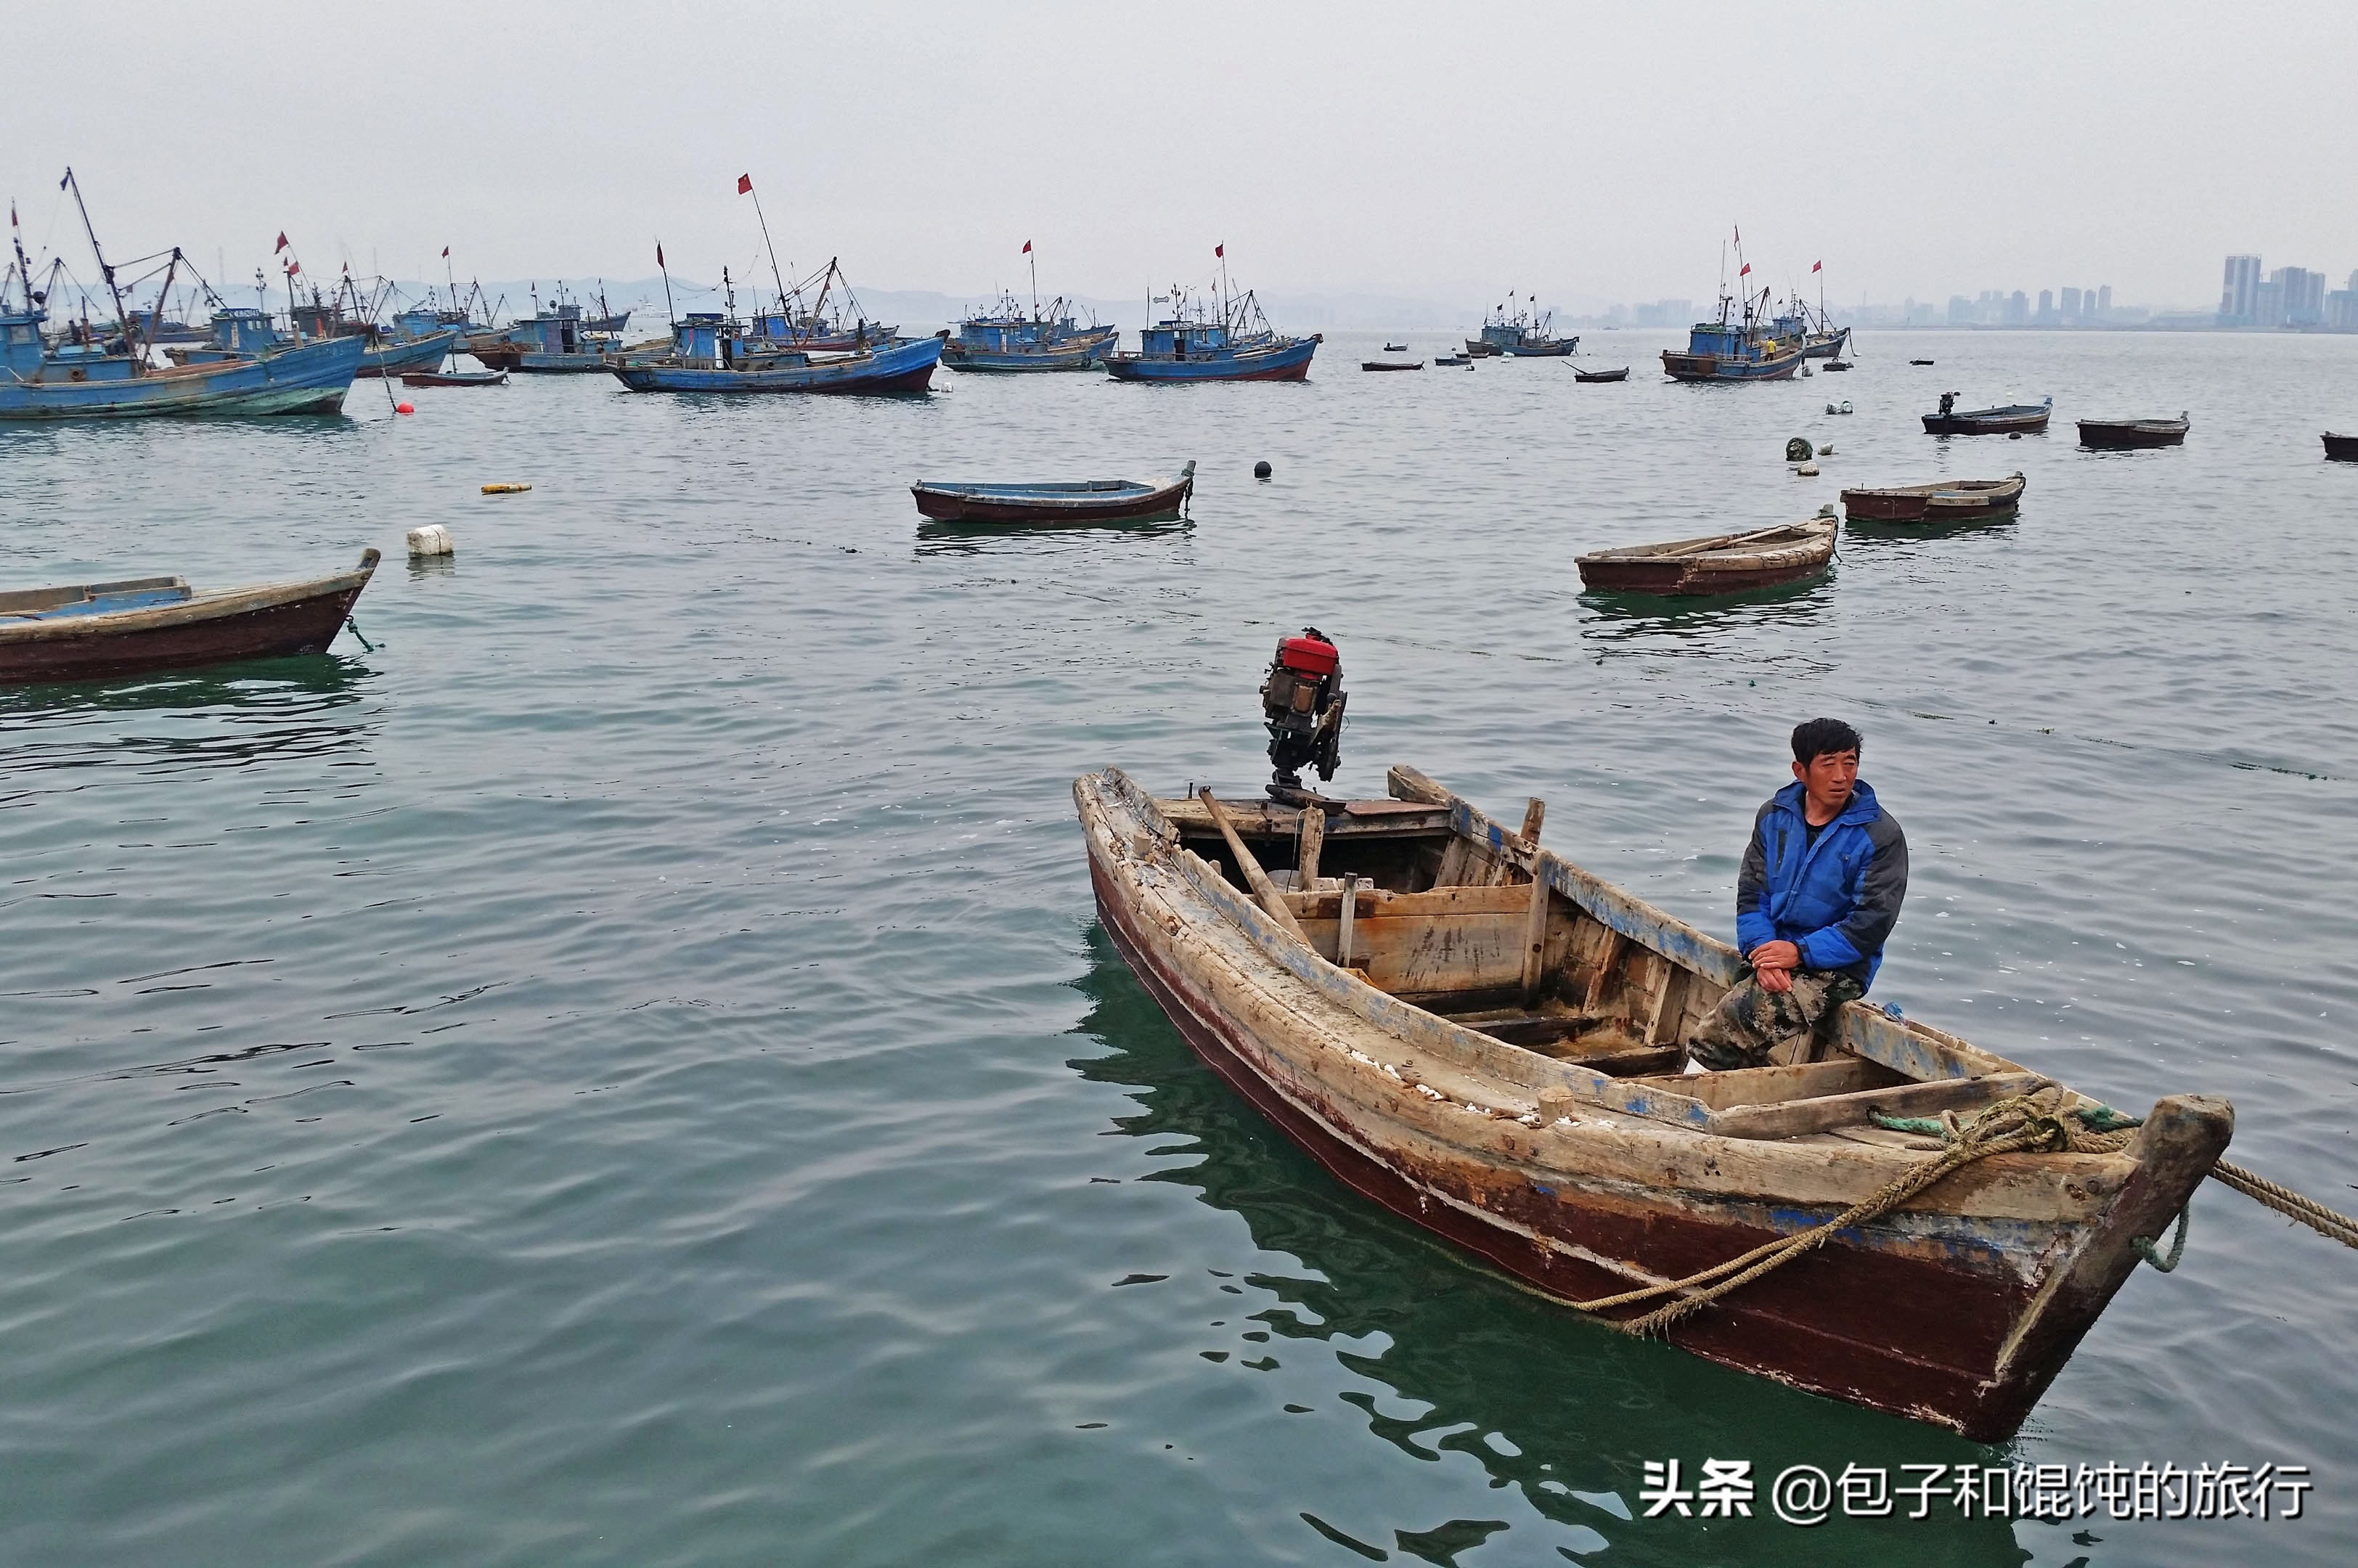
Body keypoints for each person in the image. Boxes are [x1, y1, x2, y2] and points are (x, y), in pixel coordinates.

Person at [1689, 718, 1909, 1072]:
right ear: (1801, 770)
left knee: (1721, 1033)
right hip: (1773, 949)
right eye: (1828, 764)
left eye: (1850, 763)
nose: (1841, 776)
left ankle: (1688, 1107)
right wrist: (1764, 952)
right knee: (1741, 999)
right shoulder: (1774, 817)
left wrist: (1800, 953)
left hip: (1838, 966)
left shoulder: (1880, 835)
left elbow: (1871, 924)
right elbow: (1752, 895)